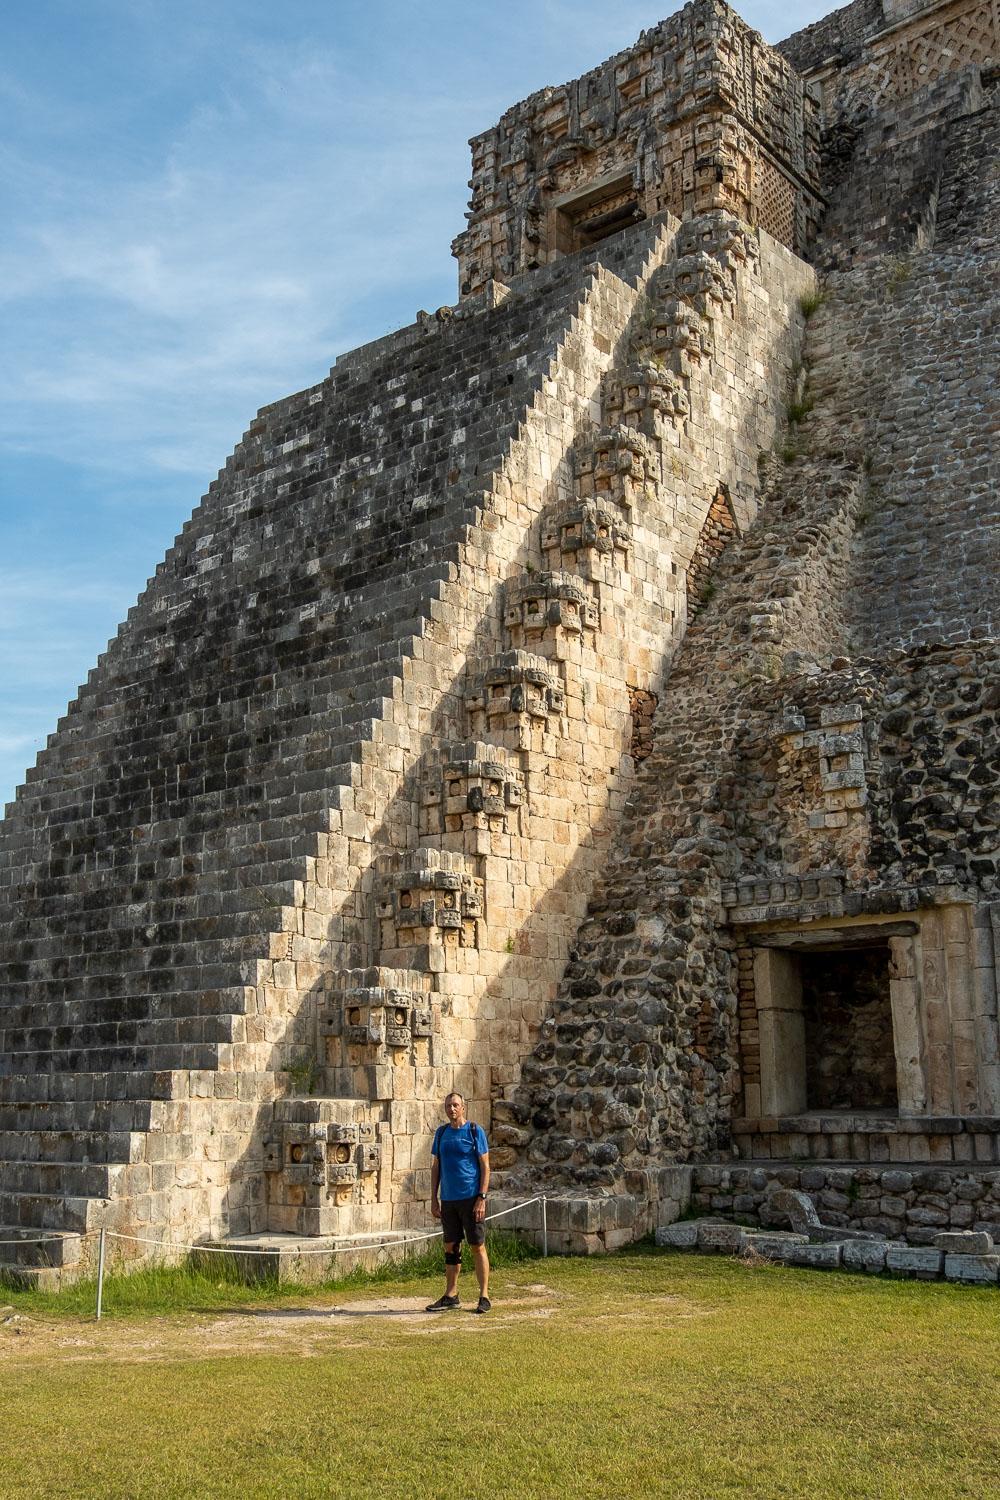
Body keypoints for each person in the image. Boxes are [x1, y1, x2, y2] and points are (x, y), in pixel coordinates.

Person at [425, 1090, 491, 1314]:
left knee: (477, 1246)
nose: (451, 1109)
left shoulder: (474, 1131)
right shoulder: (442, 1133)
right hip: (449, 1200)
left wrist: (481, 1198)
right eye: (448, 1106)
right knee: (451, 1247)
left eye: (455, 1105)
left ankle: (484, 1295)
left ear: (463, 1107)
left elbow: (485, 1166)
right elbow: (436, 1167)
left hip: (471, 1198)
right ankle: (451, 1294)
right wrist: (433, 1198)